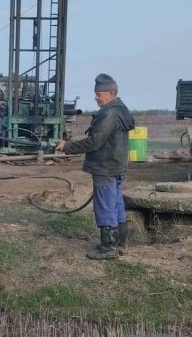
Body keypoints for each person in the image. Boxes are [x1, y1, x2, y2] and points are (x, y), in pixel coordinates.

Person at [56, 73, 135, 260]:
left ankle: (108, 248)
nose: (95, 97)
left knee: (105, 205)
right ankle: (119, 242)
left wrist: (66, 146)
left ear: (110, 93)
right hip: (116, 165)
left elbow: (94, 142)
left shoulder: (108, 114)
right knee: (116, 203)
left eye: (98, 94)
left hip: (105, 166)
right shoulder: (121, 110)